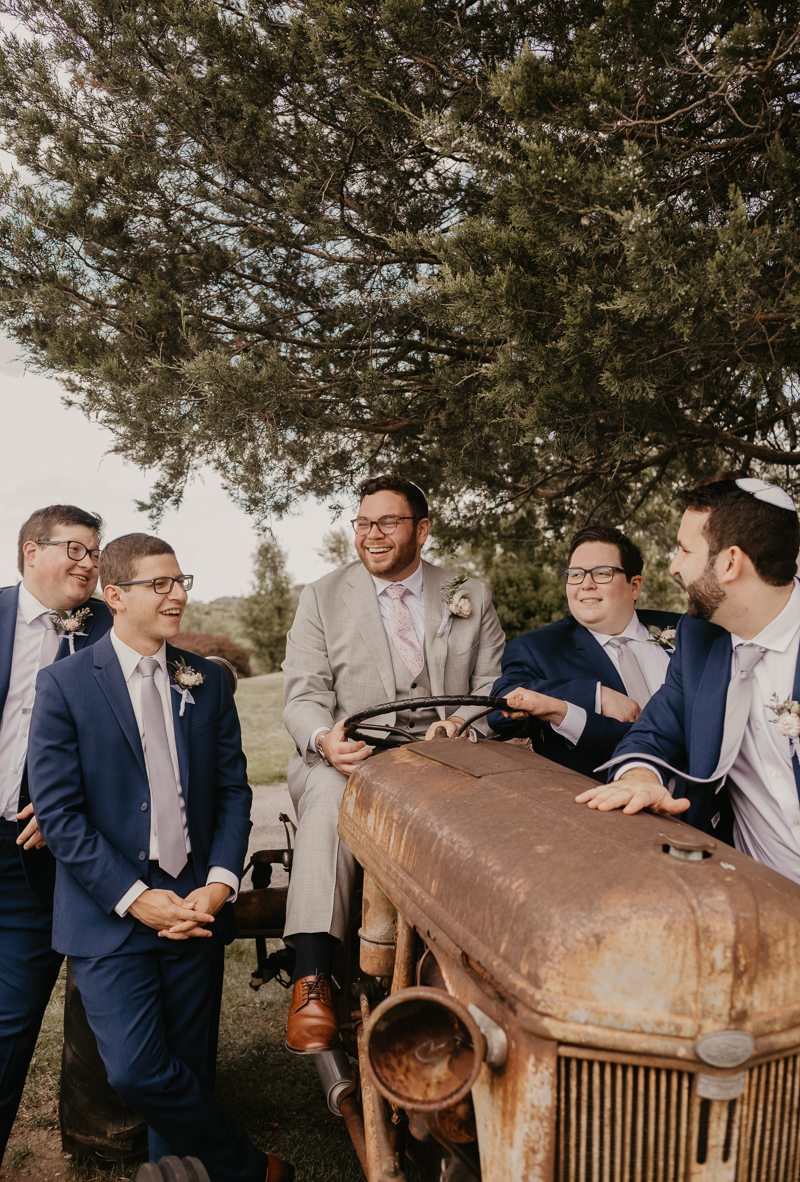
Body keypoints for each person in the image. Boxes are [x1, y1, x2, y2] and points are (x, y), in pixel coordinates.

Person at [28, 533, 292, 1182]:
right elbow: (60, 818)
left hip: (195, 906)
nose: (177, 595)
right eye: (160, 584)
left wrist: (221, 884)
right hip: (108, 915)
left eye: (181, 582)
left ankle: (176, 1175)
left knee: (189, 1066)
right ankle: (249, 1167)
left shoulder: (208, 680)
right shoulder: (63, 686)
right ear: (114, 596)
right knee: (137, 1070)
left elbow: (234, 792)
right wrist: (133, 897)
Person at [282, 473, 505, 1053]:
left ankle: (489, 966)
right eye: (362, 523)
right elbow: (303, 695)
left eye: (387, 522)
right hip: (350, 757)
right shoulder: (322, 596)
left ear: (421, 530)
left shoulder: (468, 593)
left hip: (448, 754)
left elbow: (492, 686)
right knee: (332, 796)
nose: (371, 534)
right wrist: (324, 741)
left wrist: (463, 726)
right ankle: (312, 976)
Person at [576, 479, 800, 872]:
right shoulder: (699, 638)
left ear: (730, 562)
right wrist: (641, 775)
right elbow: (655, 731)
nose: (673, 565)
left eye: (684, 550)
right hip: (750, 885)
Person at [0, 503, 111, 1163]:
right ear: (29, 550)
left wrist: (70, 801)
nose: (89, 563)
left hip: (44, 864)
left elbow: (145, 727)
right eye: (75, 548)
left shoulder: (111, 628)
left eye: (95, 552)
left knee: (9, 1030)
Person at [487, 527, 679, 776]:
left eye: (602, 573)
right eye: (576, 574)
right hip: (602, 805)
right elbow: (499, 709)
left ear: (634, 586)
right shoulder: (538, 648)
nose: (586, 584)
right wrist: (596, 697)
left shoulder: (686, 629)